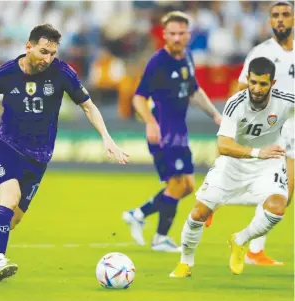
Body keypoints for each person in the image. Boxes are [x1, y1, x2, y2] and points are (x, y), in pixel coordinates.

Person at [0, 24, 129, 281]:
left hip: (39, 157)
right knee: (8, 201)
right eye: (43, 51)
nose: (48, 58)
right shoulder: (5, 73)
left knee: (9, 221)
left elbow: (88, 106)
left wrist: (107, 138)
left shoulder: (62, 72)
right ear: (28, 46)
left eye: (53, 53)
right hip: (5, 146)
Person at [170, 57, 293, 277]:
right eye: (253, 82)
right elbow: (223, 145)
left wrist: (264, 155)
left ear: (272, 84)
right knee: (198, 213)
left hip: (267, 167)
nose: (256, 88)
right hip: (233, 166)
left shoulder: (286, 101)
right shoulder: (236, 103)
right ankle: (185, 262)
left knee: (277, 208)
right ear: (248, 79)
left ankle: (241, 240)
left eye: (263, 84)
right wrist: (257, 152)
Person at [122, 11, 221, 252]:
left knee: (187, 186)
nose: (177, 38)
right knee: (178, 184)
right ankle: (160, 238)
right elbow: (138, 98)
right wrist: (150, 123)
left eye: (181, 33)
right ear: (164, 35)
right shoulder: (158, 62)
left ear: (189, 34)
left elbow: (194, 90)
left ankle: (138, 214)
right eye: (172, 33)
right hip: (163, 133)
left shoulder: (187, 57)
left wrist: (215, 115)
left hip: (179, 132)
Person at [206, 1, 294, 266]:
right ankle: (219, 202)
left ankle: (250, 244)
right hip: (270, 128)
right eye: (275, 15)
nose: (280, 19)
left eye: (285, 15)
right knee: (274, 190)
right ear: (269, 21)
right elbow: (242, 88)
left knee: (286, 196)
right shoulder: (262, 51)